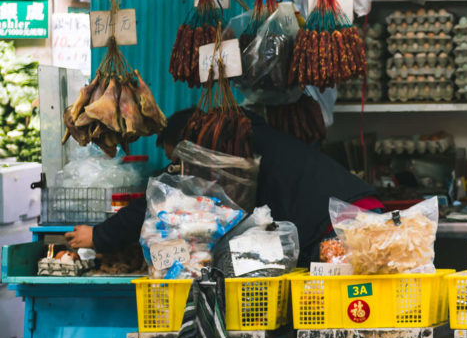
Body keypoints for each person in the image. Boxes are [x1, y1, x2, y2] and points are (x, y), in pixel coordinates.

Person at [64, 108, 381, 265]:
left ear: (192, 147)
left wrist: (99, 236)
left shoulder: (223, 151)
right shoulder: (247, 139)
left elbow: (161, 193)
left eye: (178, 159)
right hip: (362, 213)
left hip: (339, 230)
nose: (182, 170)